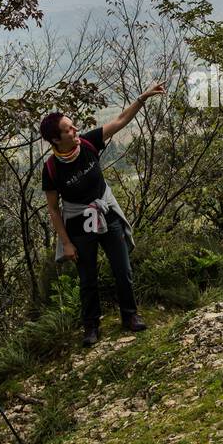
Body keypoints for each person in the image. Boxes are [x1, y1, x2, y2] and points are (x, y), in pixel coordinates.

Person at [42, 82, 166, 347]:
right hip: (78, 223)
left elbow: (121, 120)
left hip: (106, 213)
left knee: (123, 268)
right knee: (88, 278)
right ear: (55, 139)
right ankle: (91, 327)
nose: (75, 130)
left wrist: (142, 98)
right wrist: (66, 242)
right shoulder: (52, 168)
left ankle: (130, 316)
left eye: (73, 126)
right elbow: (53, 208)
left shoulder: (87, 143)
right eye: (68, 129)